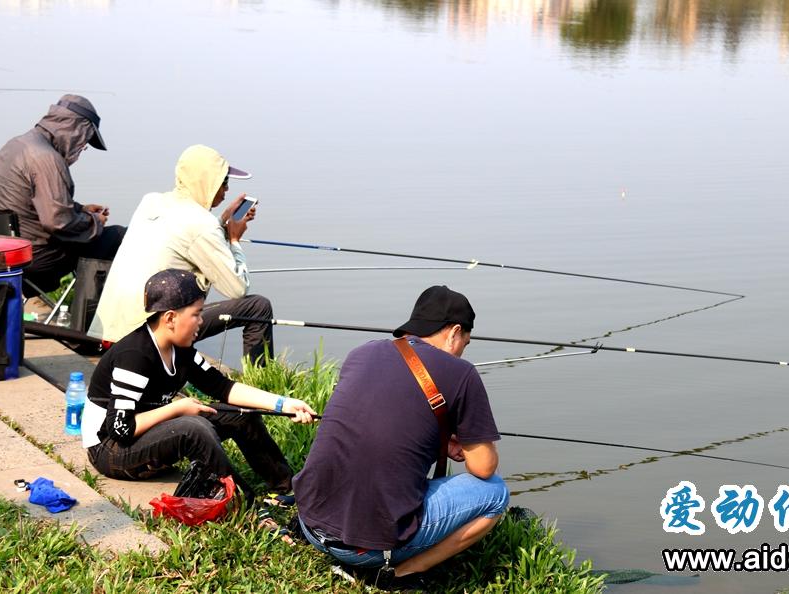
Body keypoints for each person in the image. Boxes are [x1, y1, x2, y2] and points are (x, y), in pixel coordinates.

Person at [293, 285, 509, 590]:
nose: (462, 351)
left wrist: (440, 437)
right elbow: (483, 467)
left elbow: (383, 424)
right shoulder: (462, 374)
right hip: (364, 550)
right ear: (454, 332)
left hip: (311, 522)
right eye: (465, 342)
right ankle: (402, 574)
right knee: (496, 494)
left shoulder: (362, 353)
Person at [81, 269, 316, 500]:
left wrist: (283, 404)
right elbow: (120, 429)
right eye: (196, 314)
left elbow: (223, 387)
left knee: (241, 414)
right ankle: (245, 503)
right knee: (193, 428)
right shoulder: (136, 355)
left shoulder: (181, 349)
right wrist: (177, 409)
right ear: (170, 318)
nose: (201, 321)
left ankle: (288, 488)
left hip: (144, 434)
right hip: (109, 450)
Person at [88, 144, 275, 364]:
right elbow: (237, 288)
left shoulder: (151, 201)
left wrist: (222, 222)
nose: (226, 190)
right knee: (258, 307)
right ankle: (261, 382)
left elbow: (186, 236)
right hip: (149, 335)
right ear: (207, 181)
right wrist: (234, 239)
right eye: (223, 182)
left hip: (111, 331)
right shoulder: (202, 225)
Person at [0, 94, 126, 294]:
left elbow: (33, 202)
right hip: (36, 259)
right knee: (118, 235)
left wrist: (80, 209)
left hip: (8, 250)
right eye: (85, 139)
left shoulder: (17, 144)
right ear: (75, 130)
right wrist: (95, 221)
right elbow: (57, 222)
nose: (84, 146)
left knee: (94, 239)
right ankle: (87, 315)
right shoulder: (47, 159)